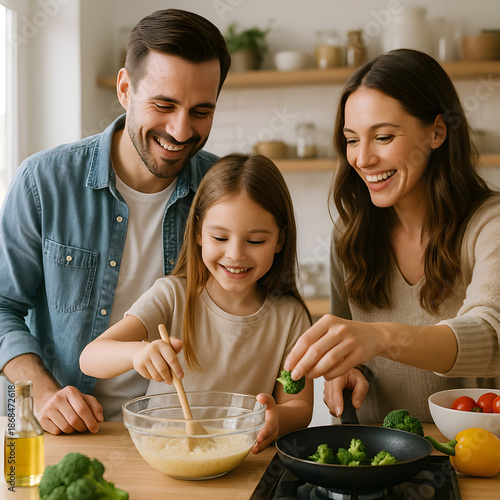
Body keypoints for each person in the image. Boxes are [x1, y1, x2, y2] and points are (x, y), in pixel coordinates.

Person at [0, 9, 231, 434]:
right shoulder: (43, 182)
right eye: (164, 105)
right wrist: (46, 393)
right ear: (125, 88)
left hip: (181, 434)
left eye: (201, 111)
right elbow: (2, 306)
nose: (181, 130)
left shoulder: (222, 191)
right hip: (72, 435)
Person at [284, 49, 500, 424]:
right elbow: (348, 348)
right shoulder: (349, 238)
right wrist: (346, 370)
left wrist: (381, 337)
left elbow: (490, 335)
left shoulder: (488, 226)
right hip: (373, 463)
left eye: (382, 136)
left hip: (473, 461)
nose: (362, 159)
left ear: (436, 132)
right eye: (352, 140)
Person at [80, 153, 314, 453]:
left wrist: (277, 418)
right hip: (164, 453)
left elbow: (299, 403)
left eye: (255, 241)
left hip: (241, 460)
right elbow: (90, 357)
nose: (235, 255)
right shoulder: (172, 296)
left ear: (280, 240)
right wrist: (138, 353)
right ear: (200, 232)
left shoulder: (291, 317)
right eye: (220, 237)